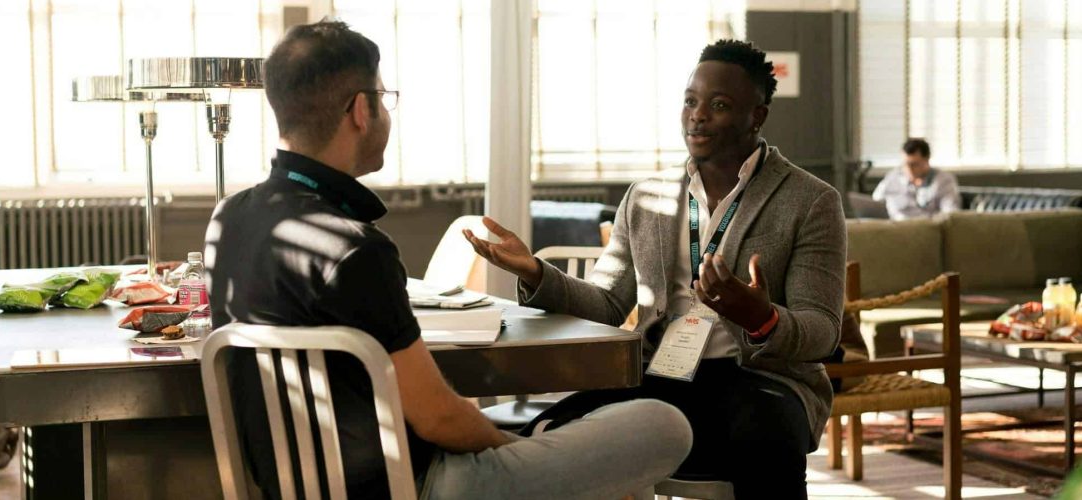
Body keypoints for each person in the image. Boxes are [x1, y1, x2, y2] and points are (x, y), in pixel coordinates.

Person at [205, 21, 692, 500]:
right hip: (415, 487)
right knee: (664, 424)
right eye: (383, 97)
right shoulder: (356, 249)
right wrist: (518, 453)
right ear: (359, 110)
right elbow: (438, 417)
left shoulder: (229, 219)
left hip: (288, 487)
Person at [465, 39, 846, 499]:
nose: (697, 115)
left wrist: (761, 318)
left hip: (761, 379)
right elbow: (606, 304)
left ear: (757, 116)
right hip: (660, 374)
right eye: (690, 101)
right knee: (555, 428)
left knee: (765, 438)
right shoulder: (646, 196)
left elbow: (823, 330)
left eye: (718, 104)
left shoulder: (810, 201)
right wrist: (536, 273)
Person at [872, 138, 962, 220]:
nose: (909, 170)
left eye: (914, 164)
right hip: (894, 227)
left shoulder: (943, 180)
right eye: (905, 164)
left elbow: (950, 213)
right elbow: (875, 201)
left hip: (924, 227)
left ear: (927, 159)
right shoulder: (894, 176)